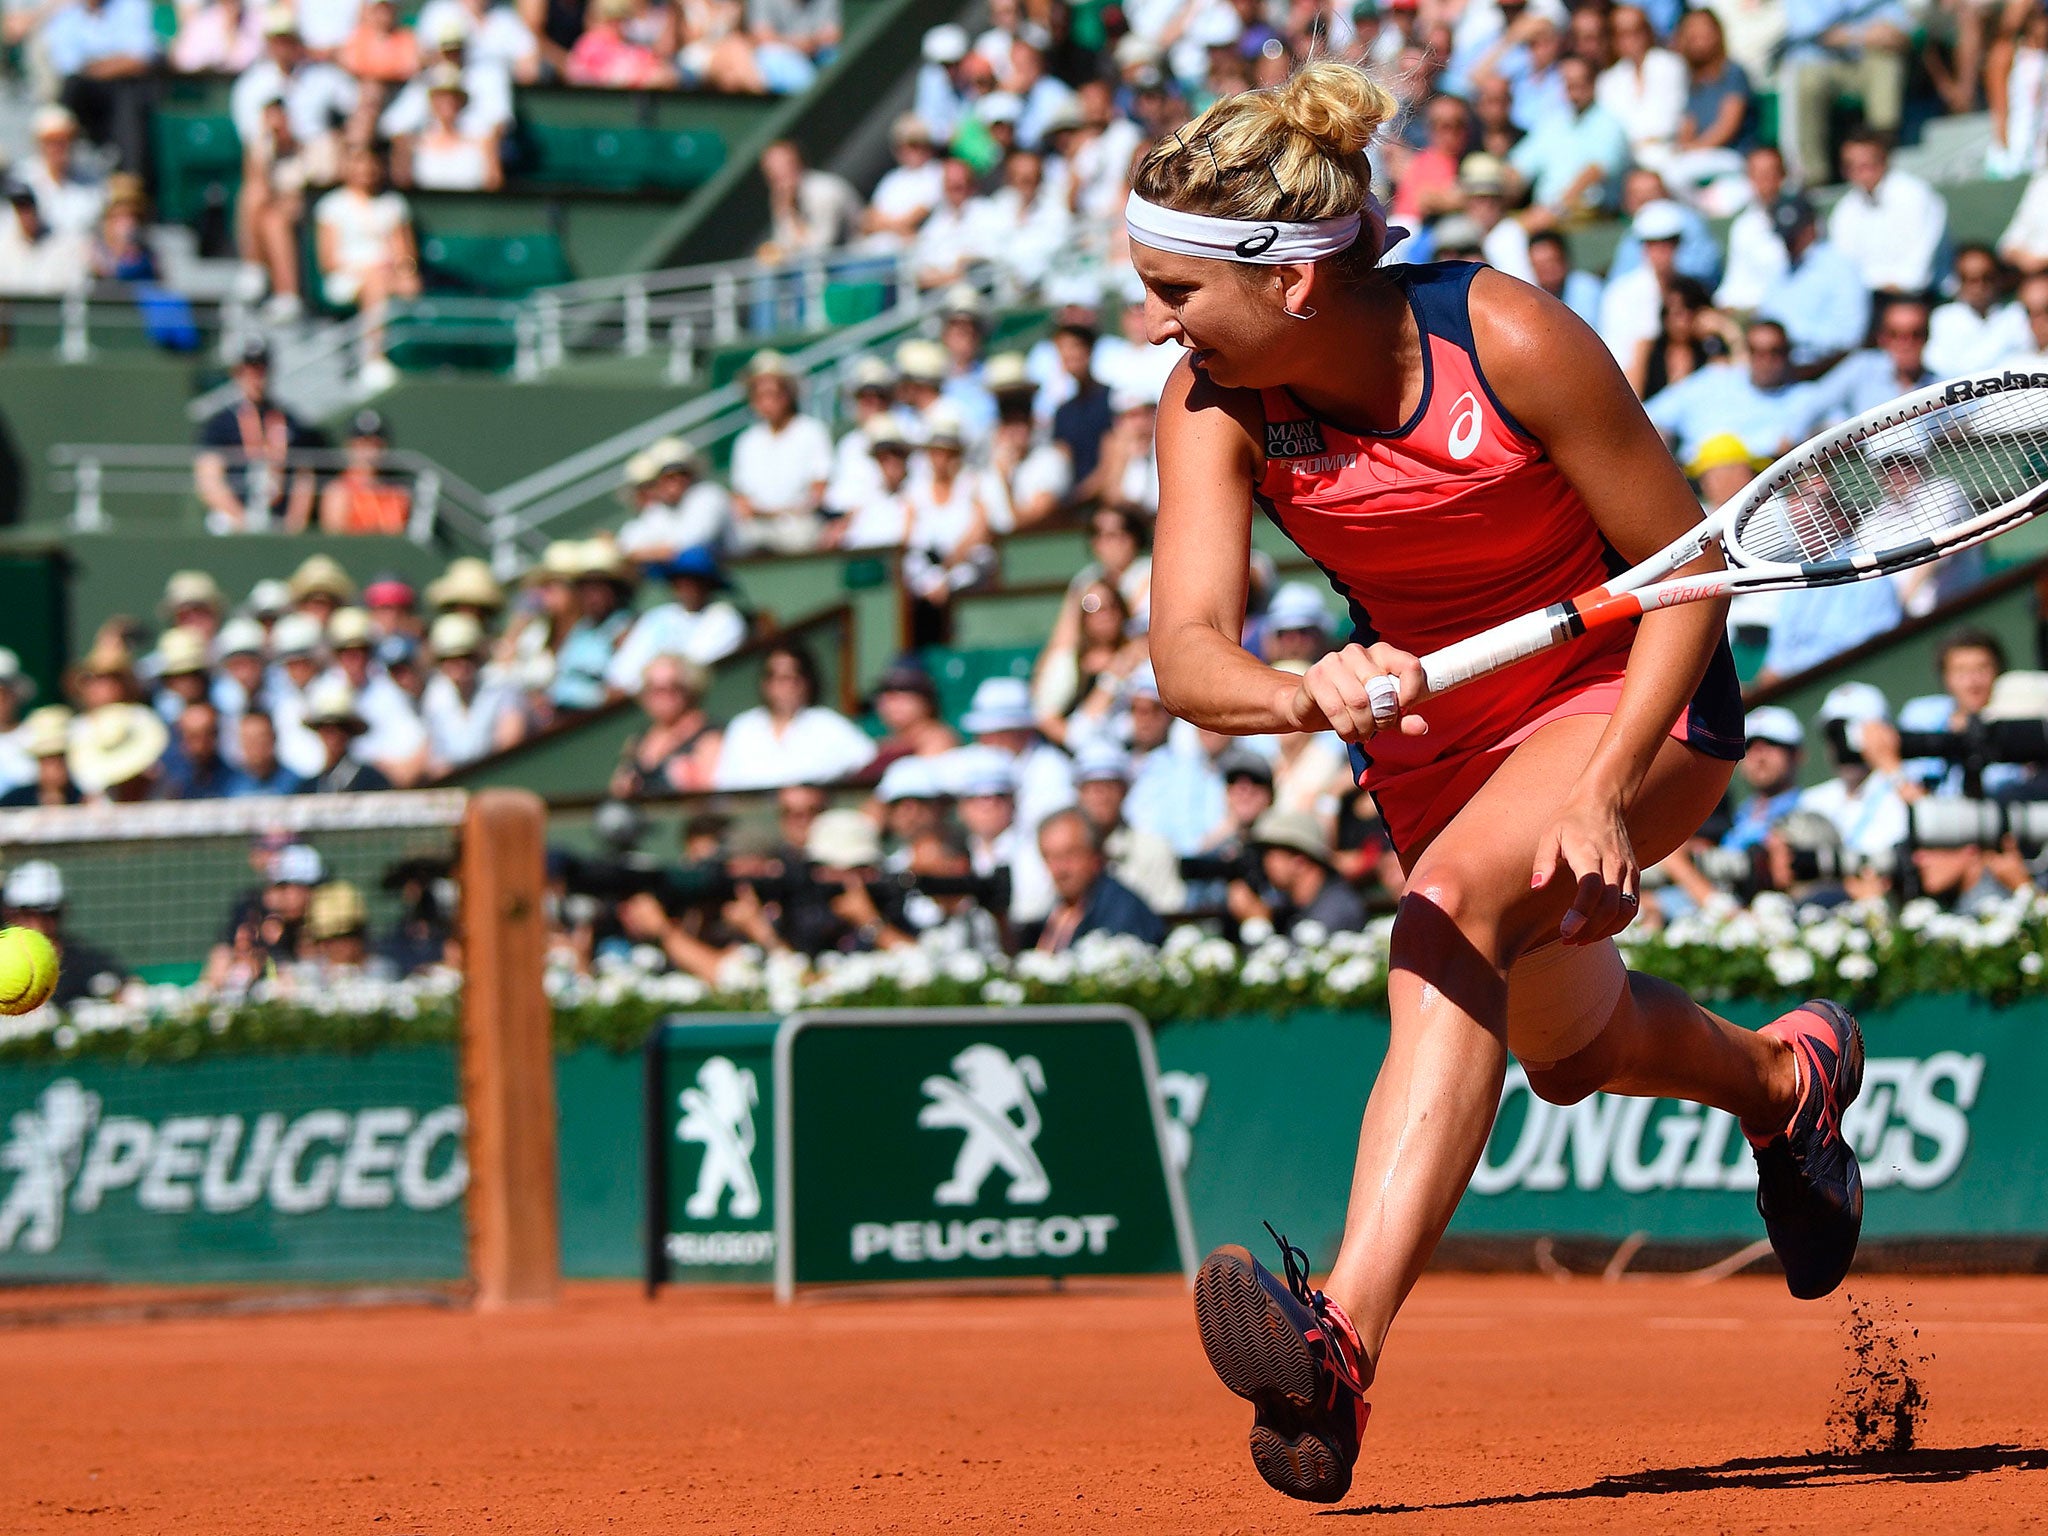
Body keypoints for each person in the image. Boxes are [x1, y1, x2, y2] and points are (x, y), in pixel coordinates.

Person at [1127, 59, 1861, 1504]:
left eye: (1175, 289)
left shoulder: (1504, 334)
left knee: (1450, 912)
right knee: (1567, 1054)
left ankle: (1338, 1342)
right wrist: (1299, 686)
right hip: (1444, 740)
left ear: (1288, 286)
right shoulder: (1209, 403)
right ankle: (1788, 1080)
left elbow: (1693, 569)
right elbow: (1183, 650)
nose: (1156, 319)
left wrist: (1599, 787)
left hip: (1629, 698)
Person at [712, 640, 876, 790]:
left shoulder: (828, 724)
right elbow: (724, 785)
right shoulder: (743, 727)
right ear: (765, 683)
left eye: (791, 677)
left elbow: (869, 762)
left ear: (806, 682)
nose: (785, 686)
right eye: (776, 677)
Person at [194, 340, 321, 533]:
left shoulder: (290, 421)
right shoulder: (220, 424)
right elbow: (209, 480)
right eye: (249, 370)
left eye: (261, 370)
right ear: (238, 373)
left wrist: (293, 527)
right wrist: (243, 522)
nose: (256, 378)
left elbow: (304, 479)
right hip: (235, 519)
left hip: (278, 517)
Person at [728, 351, 835, 554]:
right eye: (759, 394)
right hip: (756, 529)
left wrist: (787, 514)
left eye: (773, 393)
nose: (766, 401)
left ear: (788, 393)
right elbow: (740, 497)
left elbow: (819, 491)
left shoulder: (812, 431)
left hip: (800, 526)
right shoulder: (746, 442)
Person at [605, 547, 747, 695]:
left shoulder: (724, 618)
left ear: (708, 584)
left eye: (694, 581)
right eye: (680, 581)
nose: (686, 588)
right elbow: (620, 673)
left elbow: (692, 671)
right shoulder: (658, 616)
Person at [1824, 131, 1947, 298]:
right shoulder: (1844, 211)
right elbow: (1845, 266)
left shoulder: (1916, 195)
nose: (1862, 172)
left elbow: (1919, 269)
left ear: (1884, 161)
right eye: (1852, 166)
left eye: (1868, 164)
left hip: (1922, 296)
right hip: (1868, 298)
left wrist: (1889, 286)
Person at [1755, 196, 1870, 374]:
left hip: (1830, 373)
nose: (1789, 242)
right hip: (1782, 373)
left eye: (1794, 235)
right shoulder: (1779, 272)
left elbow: (1849, 337)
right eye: (1784, 236)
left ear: (1812, 228)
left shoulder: (1839, 267)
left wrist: (1792, 336)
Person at [1025, 808, 1166, 949]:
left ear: (1096, 856)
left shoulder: (1123, 911)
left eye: (1070, 854)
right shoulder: (1054, 911)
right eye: (1050, 857)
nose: (1060, 870)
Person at [1, 861, 128, 1009]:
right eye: (25, 913)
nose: (36, 923)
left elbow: (125, 991)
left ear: (62, 911)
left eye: (46, 912)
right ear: (7, 913)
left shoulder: (89, 963)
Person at [1229, 807, 1371, 938]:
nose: (1265, 862)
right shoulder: (1291, 905)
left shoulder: (1337, 908)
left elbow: (1299, 963)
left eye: (1270, 853)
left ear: (1299, 861)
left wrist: (1257, 923)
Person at [319, 409, 414, 534]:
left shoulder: (398, 492)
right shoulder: (339, 490)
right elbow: (335, 539)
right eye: (362, 444)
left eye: (375, 444)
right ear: (349, 446)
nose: (369, 452)